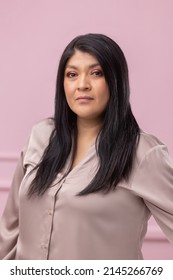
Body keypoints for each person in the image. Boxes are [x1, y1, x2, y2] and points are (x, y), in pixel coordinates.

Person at [0, 33, 173, 260]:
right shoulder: (40, 136)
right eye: (72, 74)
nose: (82, 85)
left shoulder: (143, 153)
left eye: (96, 73)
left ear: (115, 81)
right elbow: (9, 231)